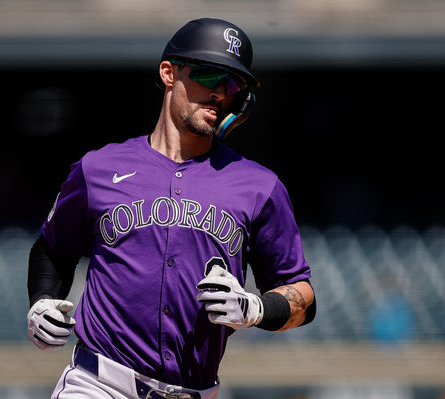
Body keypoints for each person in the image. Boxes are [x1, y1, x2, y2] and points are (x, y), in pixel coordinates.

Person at [26, 17, 316, 399]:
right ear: (168, 73)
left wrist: (256, 308)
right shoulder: (98, 168)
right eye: (210, 76)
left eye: (233, 85)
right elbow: (53, 248)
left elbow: (302, 296)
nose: (220, 94)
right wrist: (42, 302)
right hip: (99, 385)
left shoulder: (259, 186)